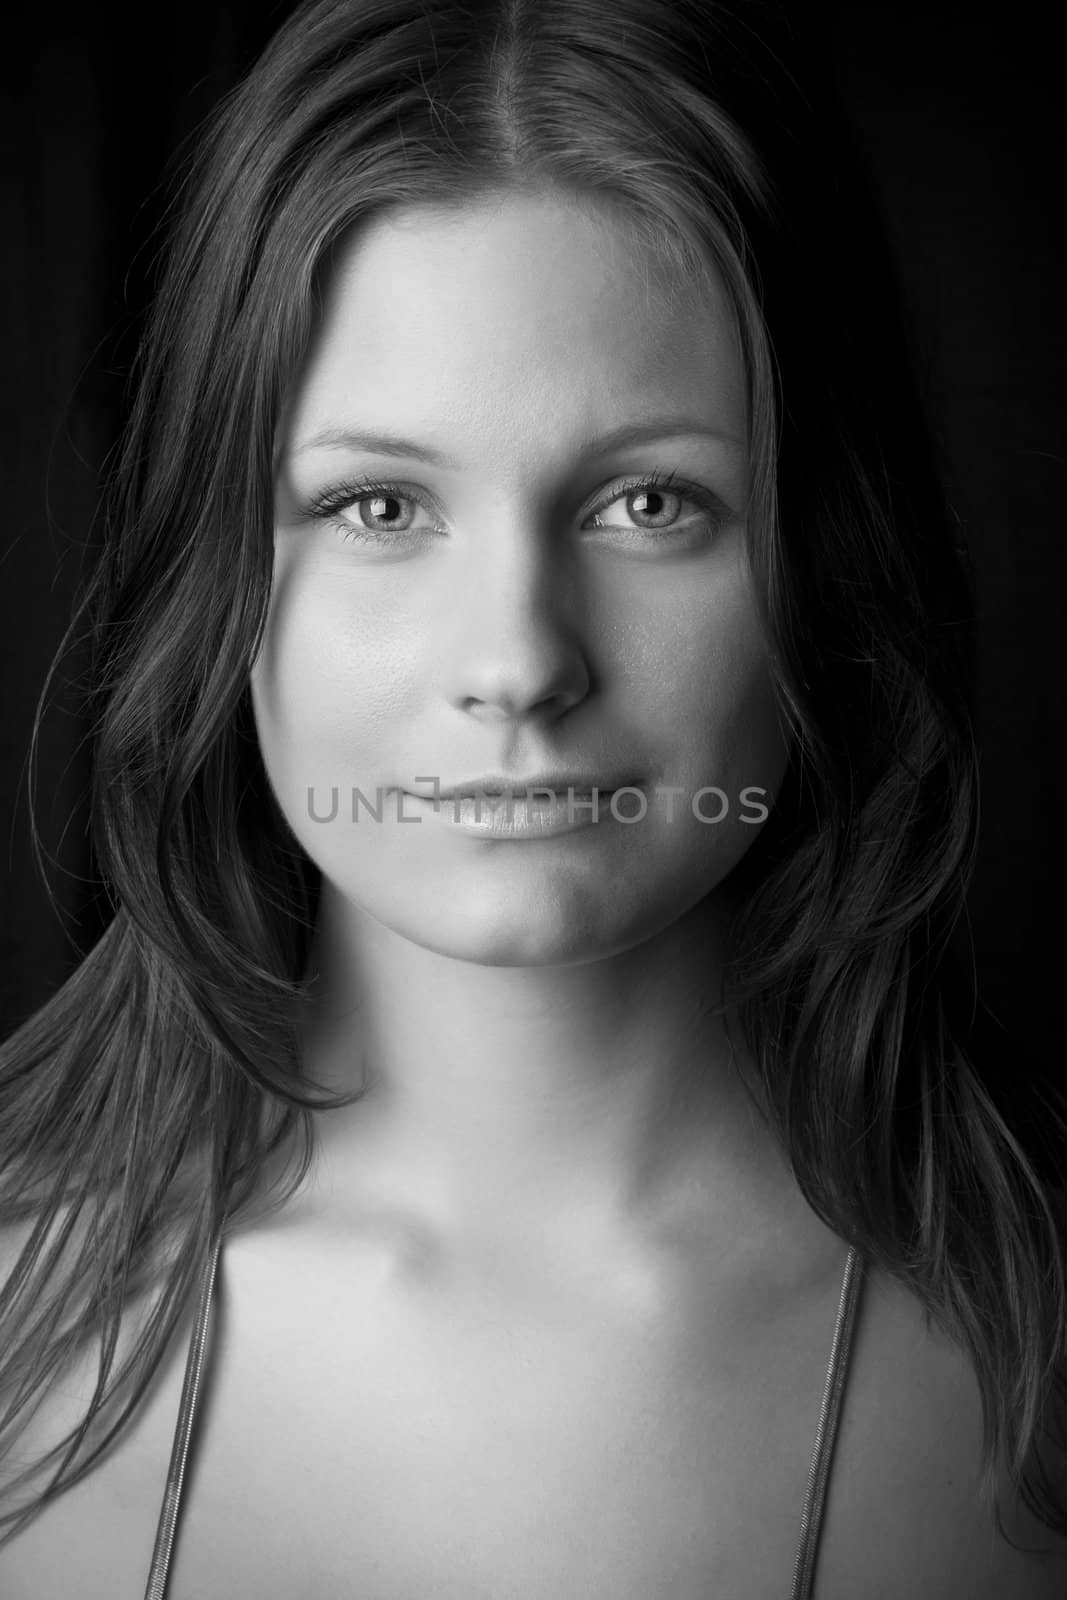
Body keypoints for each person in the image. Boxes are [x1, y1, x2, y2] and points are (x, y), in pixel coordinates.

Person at [0, 0, 1064, 1595]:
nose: (516, 660)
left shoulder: (1032, 1368)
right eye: (377, 502)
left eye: (650, 501)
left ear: (828, 565)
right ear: (217, 576)